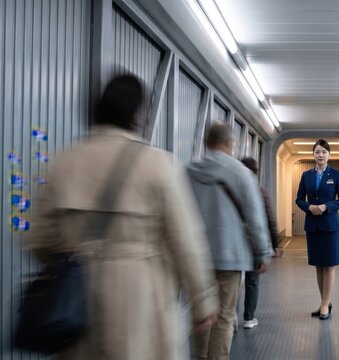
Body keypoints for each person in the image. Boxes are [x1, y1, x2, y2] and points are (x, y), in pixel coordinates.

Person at [25, 74, 217, 359]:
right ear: (137, 115)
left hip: (78, 301)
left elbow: (38, 240)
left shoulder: (63, 163)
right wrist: (202, 302)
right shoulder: (159, 165)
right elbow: (186, 242)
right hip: (141, 298)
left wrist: (78, 256)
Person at [186, 123, 272, 360]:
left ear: (205, 142)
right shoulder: (241, 173)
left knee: (200, 314)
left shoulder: (188, 171)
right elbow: (255, 217)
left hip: (196, 258)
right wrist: (263, 252)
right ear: (229, 143)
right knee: (224, 315)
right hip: (229, 257)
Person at [295, 139, 339, 320]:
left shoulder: (336, 174)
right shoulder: (306, 175)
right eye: (317, 152)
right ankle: (323, 301)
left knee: (329, 265)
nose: (320, 155)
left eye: (324, 152)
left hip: (330, 226)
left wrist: (327, 206)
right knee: (318, 265)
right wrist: (308, 207)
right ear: (313, 154)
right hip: (313, 225)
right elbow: (299, 199)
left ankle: (326, 303)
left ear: (329, 155)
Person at [239, 157, 282, 330]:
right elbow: (269, 219)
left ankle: (230, 320)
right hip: (254, 244)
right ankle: (249, 318)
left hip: (236, 243)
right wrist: (275, 243)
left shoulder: (232, 191)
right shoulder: (260, 192)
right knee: (252, 281)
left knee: (233, 282)